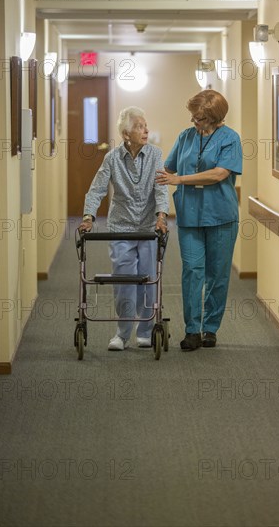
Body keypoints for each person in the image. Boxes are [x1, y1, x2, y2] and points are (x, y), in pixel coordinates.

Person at [156, 90, 242, 351]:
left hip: (221, 216)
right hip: (189, 216)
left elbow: (218, 174)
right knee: (192, 272)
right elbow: (168, 169)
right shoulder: (186, 136)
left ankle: (210, 328)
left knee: (217, 275)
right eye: (193, 117)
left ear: (215, 118)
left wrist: (180, 180)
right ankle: (192, 329)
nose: (195, 122)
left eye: (200, 118)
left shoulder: (230, 139)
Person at [79, 106, 169, 351]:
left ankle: (146, 330)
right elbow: (97, 188)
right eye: (140, 126)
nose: (146, 130)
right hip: (120, 228)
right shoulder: (112, 158)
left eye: (146, 125)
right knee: (124, 282)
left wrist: (162, 216)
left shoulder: (155, 155)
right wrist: (89, 216)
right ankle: (122, 332)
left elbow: (161, 188)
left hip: (149, 227)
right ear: (126, 133)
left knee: (148, 279)